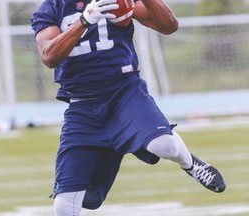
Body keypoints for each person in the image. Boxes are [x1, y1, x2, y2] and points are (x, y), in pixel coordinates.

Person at [30, 0, 226, 215]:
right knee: (64, 206)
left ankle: (191, 164)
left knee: (164, 145)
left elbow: (169, 26)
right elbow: (49, 56)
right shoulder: (52, 7)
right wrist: (84, 21)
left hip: (123, 92)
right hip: (82, 106)